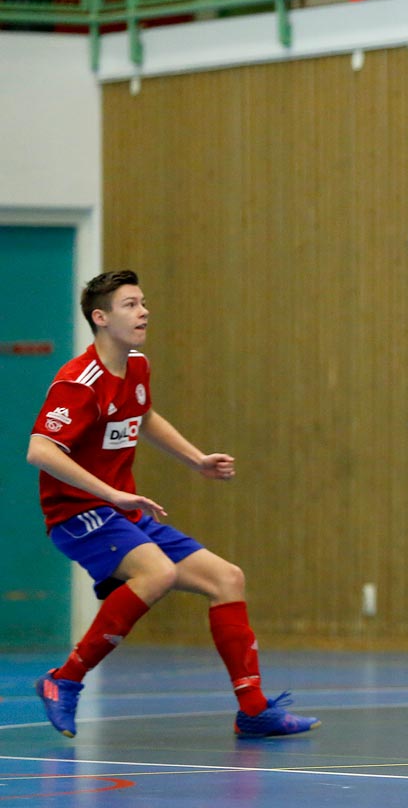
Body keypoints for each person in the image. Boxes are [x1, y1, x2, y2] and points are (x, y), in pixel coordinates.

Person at [29, 270, 319, 740]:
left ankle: (253, 709)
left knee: (227, 578)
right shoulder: (78, 383)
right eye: (129, 305)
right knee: (158, 574)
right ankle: (64, 680)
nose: (143, 311)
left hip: (121, 512)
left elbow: (142, 415)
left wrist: (196, 459)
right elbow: (40, 449)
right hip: (78, 514)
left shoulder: (137, 366)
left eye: (143, 302)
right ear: (100, 318)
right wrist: (111, 492)